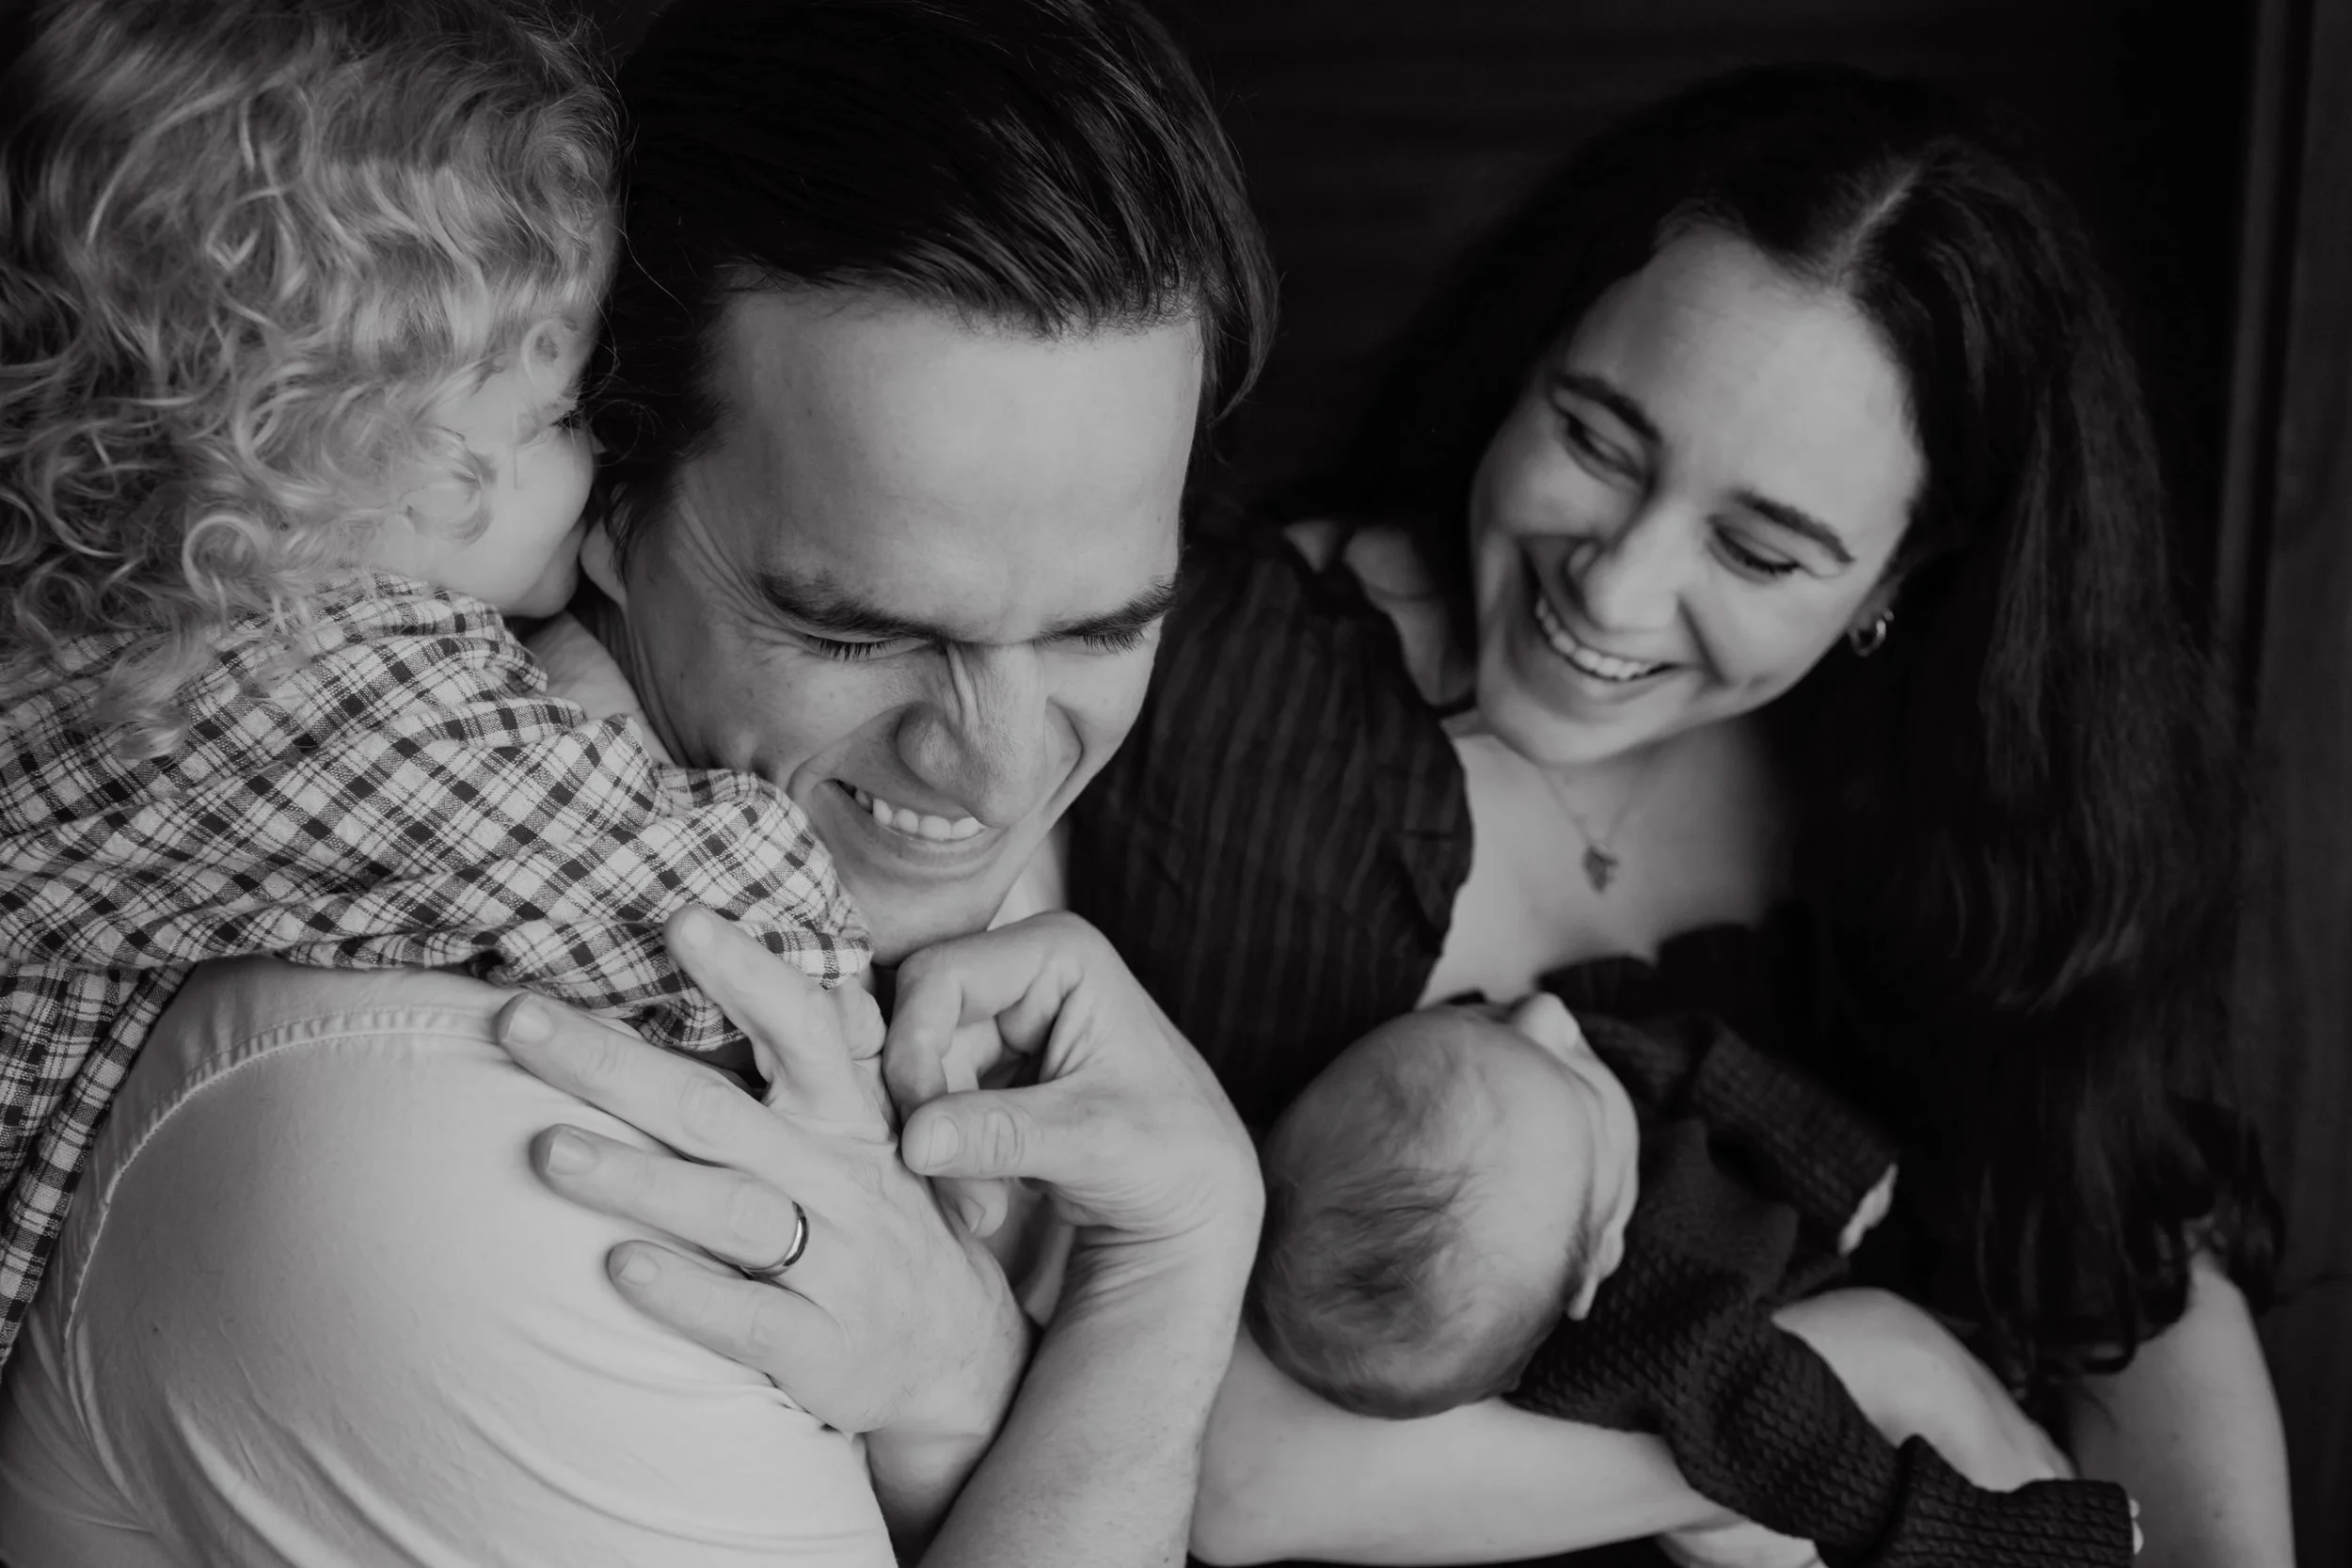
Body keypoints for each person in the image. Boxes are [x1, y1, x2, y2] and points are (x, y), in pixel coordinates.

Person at [0, 0, 1276, 1561]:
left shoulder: (856, 808)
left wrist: (974, 1371)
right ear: (606, 476)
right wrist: (1159, 1291)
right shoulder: (485, 1190)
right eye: (855, 626)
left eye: (1099, 624)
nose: (1003, 769)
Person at [1057, 64, 2292, 1568]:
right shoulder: (1245, 714)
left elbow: (2124, 1245)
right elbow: (1233, 1467)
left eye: (1762, 550)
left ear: (1900, 583)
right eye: (1596, 439)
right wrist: (1840, 1393)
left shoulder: (1967, 804)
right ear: (1539, 351)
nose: (1618, 587)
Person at [0, 0, 867, 1391]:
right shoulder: (312, 684)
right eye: (560, 414)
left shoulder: (98, 612)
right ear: (326, 447)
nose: (598, 471)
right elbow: (755, 938)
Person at [1252, 994, 2137, 1565]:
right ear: (1600, 1256)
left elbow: (1676, 1057)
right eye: (1576, 1073)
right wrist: (1987, 1532)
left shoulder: (1529, 1131)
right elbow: (1820, 1462)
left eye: (1481, 1024)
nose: (1548, 1015)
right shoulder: (1670, 1328)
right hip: (1792, 1513)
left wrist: (1834, 1162)